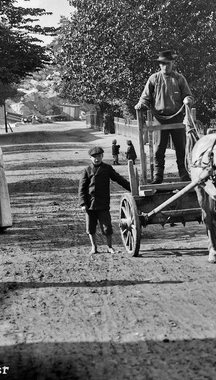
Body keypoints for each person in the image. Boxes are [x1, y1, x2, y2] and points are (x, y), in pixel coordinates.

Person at [136, 49, 195, 183]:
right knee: (158, 149)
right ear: (159, 65)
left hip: (177, 119)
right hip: (159, 119)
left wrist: (187, 100)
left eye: (168, 63)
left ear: (172, 63)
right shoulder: (154, 79)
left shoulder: (179, 79)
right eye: (163, 64)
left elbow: (188, 95)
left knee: (181, 148)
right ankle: (158, 176)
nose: (165, 66)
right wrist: (141, 104)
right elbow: (145, 97)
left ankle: (184, 174)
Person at [79, 145, 131, 254]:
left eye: (99, 156)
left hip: (103, 203)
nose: (97, 159)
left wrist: (131, 188)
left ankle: (109, 247)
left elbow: (118, 179)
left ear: (102, 156)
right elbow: (82, 189)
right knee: (91, 227)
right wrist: (83, 203)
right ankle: (94, 247)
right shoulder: (86, 171)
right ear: (90, 158)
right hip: (90, 204)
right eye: (94, 157)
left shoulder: (107, 168)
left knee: (107, 226)